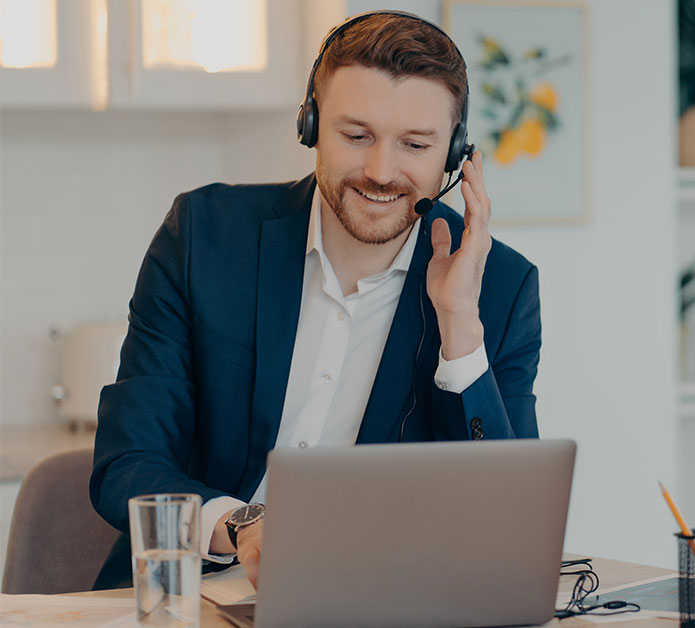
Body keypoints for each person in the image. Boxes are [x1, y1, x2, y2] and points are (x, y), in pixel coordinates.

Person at [89, 11, 541, 590]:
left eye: (415, 144)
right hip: (182, 596)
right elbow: (126, 462)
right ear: (311, 126)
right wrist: (243, 525)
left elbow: (506, 526)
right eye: (356, 136)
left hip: (378, 608)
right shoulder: (205, 235)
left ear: (453, 154)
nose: (381, 172)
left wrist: (459, 326)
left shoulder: (500, 288)